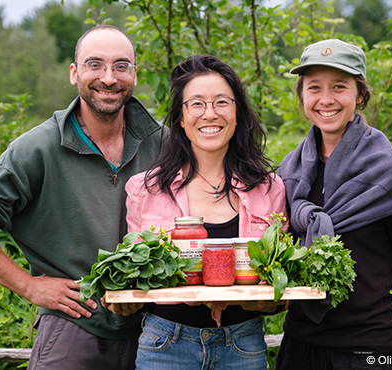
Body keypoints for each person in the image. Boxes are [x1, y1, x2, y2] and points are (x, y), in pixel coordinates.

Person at [0, 25, 166, 370]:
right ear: (74, 73)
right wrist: (28, 286)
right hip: (75, 328)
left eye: (121, 66)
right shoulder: (39, 147)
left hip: (155, 330)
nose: (109, 77)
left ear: (135, 74)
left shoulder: (162, 143)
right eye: (95, 65)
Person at [275, 39, 392, 369]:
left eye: (339, 86)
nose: (326, 99)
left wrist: (389, 329)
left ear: (360, 95)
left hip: (371, 350)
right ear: (302, 96)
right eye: (314, 88)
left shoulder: (387, 171)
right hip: (300, 348)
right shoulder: (289, 171)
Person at [121, 54, 288, 370]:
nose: (209, 114)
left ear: (237, 113)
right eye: (196, 104)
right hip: (164, 345)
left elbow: (278, 283)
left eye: (222, 102)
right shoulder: (144, 189)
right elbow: (136, 276)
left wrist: (271, 299)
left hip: (242, 344)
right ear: (181, 119)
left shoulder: (270, 188)